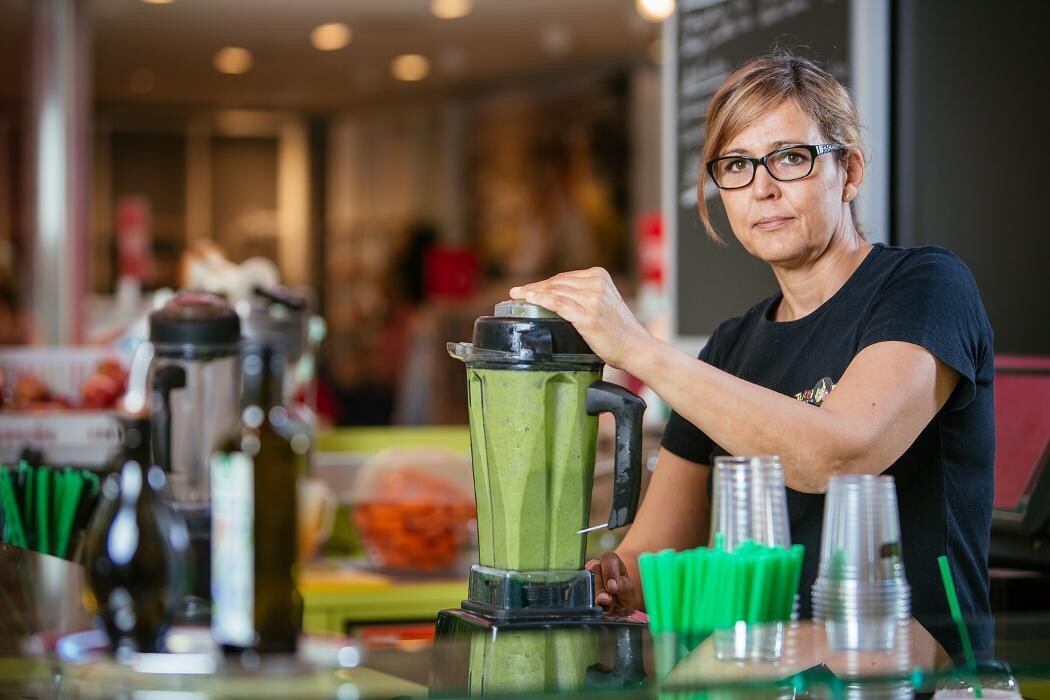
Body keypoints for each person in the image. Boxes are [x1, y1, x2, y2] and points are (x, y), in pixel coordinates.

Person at [509, 53, 994, 661]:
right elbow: (655, 556)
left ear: (849, 172)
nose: (762, 186)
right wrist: (601, 581)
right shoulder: (733, 346)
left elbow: (842, 455)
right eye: (736, 165)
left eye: (790, 157)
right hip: (770, 661)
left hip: (920, 662)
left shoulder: (925, 285)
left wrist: (638, 349)